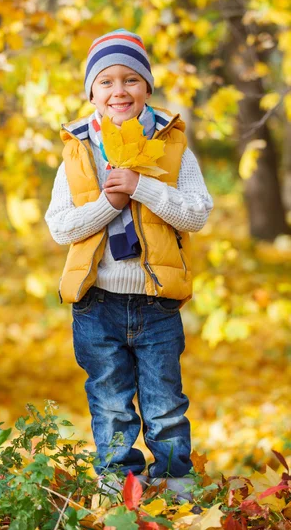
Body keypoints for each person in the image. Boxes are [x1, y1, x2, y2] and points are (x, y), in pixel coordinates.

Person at [44, 29, 213, 501]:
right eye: (106, 81)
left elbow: (196, 213)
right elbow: (61, 228)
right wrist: (108, 201)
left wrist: (143, 187)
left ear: (148, 88)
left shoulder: (173, 148)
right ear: (91, 93)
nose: (119, 91)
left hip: (156, 299)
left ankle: (177, 483)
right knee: (111, 401)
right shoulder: (77, 152)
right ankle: (119, 483)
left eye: (132, 79)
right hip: (97, 303)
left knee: (165, 403)